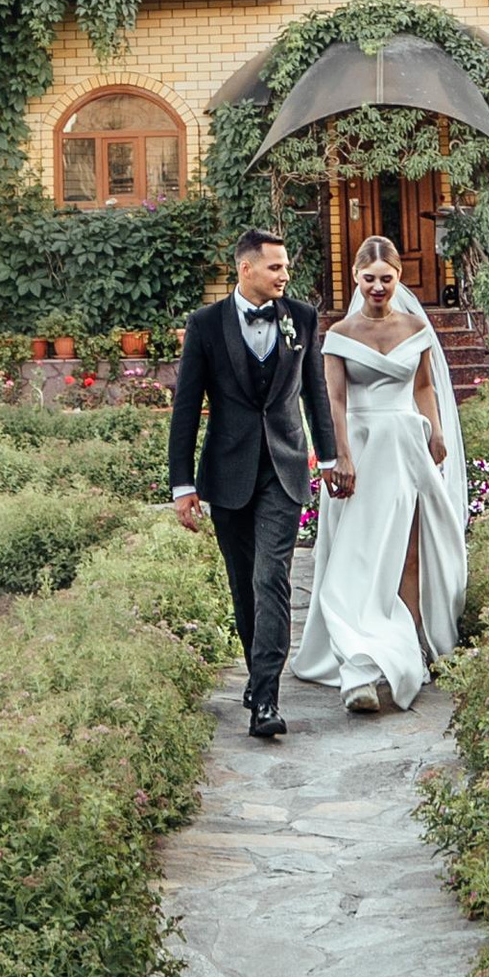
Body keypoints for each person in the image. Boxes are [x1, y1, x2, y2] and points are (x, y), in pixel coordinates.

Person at [169, 227, 336, 742]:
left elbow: (315, 392)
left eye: (286, 267)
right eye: (275, 266)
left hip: (284, 469)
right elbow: (186, 407)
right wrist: (182, 484)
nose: (285, 275)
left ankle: (265, 698)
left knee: (271, 579)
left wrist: (329, 457)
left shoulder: (302, 318)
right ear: (246, 268)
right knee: (244, 586)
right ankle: (256, 671)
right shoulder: (205, 324)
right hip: (228, 473)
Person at [293, 234, 470, 717]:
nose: (377, 287)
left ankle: (411, 643)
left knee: (410, 549)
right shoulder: (339, 334)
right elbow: (334, 400)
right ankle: (360, 654)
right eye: (369, 278)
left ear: (398, 278)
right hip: (362, 449)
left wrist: (435, 432)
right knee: (358, 550)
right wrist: (341, 456)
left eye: (386, 279)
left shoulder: (416, 327)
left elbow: (424, 386)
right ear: (356, 277)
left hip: (406, 446)